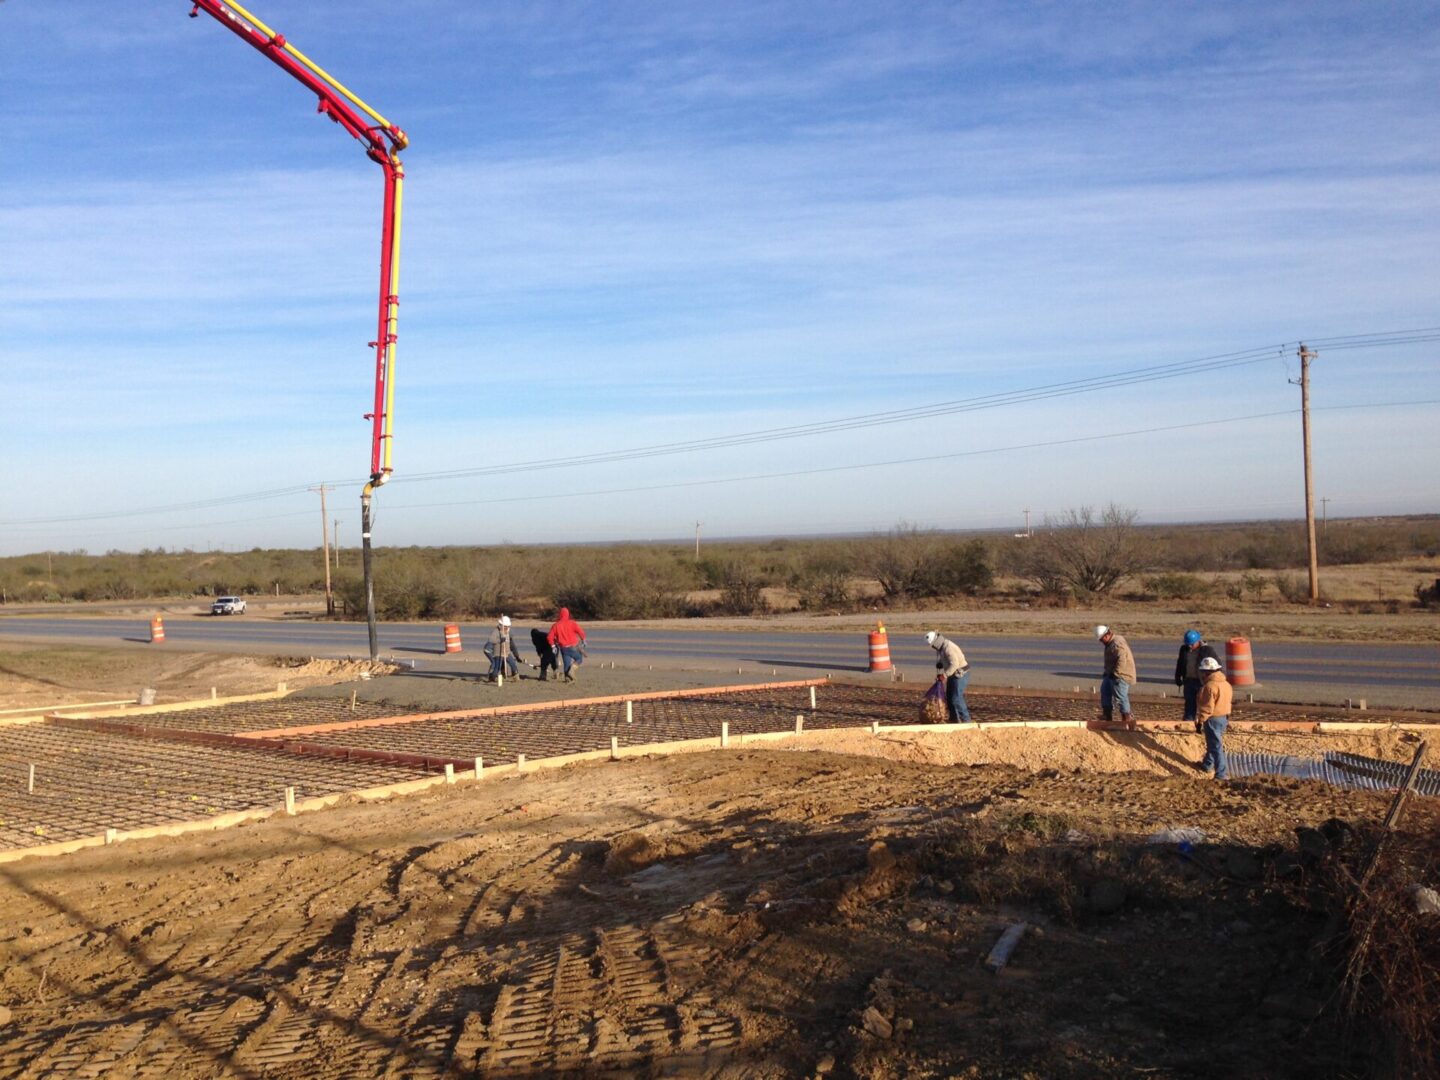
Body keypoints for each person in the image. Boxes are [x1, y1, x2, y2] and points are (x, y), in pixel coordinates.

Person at [1193, 655, 1232, 779]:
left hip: (1213, 719)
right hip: (1224, 717)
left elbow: (1207, 708)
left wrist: (1200, 721)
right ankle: (1207, 764)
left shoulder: (1209, 687)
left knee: (1216, 746)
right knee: (1213, 743)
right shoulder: (1226, 684)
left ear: (1206, 672)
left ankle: (1221, 774)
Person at [1173, 629, 1221, 723]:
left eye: (1192, 644)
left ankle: (1205, 724)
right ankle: (1188, 723)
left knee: (1205, 705)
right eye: (1188, 644)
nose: (1190, 646)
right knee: (1189, 705)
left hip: (1202, 682)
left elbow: (1217, 665)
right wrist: (1178, 677)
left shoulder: (1207, 650)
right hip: (1189, 681)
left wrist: (1214, 680)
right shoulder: (1184, 649)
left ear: (1198, 641)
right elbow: (1180, 663)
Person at [925, 630, 972, 724]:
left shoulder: (948, 647)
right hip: (953, 674)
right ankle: (955, 720)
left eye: (933, 645)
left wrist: (944, 675)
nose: (933, 647)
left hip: (960, 674)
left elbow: (955, 664)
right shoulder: (941, 648)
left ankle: (966, 720)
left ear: (936, 641)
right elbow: (947, 660)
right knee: (949, 697)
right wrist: (941, 664)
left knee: (956, 698)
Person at [1095, 624, 1137, 729]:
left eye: (1101, 640)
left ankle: (1126, 718)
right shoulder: (1110, 643)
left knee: (1121, 696)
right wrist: (1107, 672)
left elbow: (1122, 659)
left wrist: (1117, 673)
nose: (1101, 642)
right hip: (1111, 673)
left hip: (1122, 675)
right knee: (1105, 690)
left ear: (1106, 636)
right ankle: (1107, 715)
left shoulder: (1117, 643)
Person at [547, 606, 587, 682]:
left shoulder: (556, 625)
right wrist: (583, 639)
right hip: (573, 647)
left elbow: (549, 637)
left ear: (560, 615)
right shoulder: (572, 623)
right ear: (567, 614)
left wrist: (553, 646)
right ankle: (571, 671)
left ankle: (567, 678)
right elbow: (580, 632)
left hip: (563, 648)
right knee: (579, 659)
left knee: (566, 663)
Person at [484, 615, 523, 681]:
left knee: (513, 664)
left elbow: (512, 645)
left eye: (507, 626)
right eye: (505, 626)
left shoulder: (509, 632)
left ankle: (516, 676)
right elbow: (491, 640)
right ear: (501, 625)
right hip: (498, 653)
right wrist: (500, 640)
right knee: (497, 668)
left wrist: (517, 656)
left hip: (507, 652)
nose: (506, 628)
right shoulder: (496, 631)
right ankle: (492, 677)